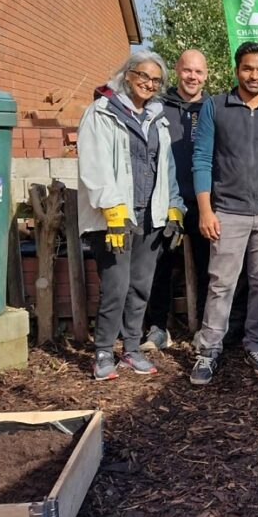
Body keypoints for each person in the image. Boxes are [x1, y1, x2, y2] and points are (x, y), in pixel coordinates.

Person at [189, 42, 258, 385]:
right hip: (228, 212)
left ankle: (255, 344)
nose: (254, 75)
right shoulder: (216, 107)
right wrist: (205, 210)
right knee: (221, 284)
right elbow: (202, 159)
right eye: (248, 69)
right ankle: (207, 351)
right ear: (237, 69)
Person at [77, 51, 185, 380]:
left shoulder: (158, 118)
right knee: (115, 286)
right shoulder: (102, 112)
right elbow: (93, 165)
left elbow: (165, 167)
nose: (149, 84)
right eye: (143, 76)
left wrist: (173, 205)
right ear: (127, 75)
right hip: (115, 217)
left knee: (140, 286)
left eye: (156, 80)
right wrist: (112, 210)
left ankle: (132, 349)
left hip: (149, 215)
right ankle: (103, 352)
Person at [142, 49, 209, 352]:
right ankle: (158, 328)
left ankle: (208, 328)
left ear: (206, 76)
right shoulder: (157, 108)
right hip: (167, 201)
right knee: (160, 265)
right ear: (177, 72)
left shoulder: (212, 108)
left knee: (210, 267)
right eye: (187, 71)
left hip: (205, 202)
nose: (192, 77)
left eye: (198, 72)